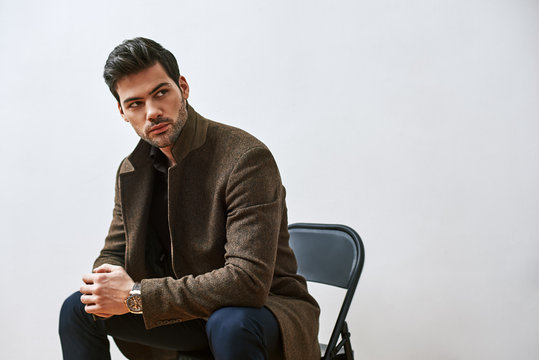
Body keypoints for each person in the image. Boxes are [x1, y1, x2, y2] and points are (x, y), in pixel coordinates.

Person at [59, 37, 320, 360]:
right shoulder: (132, 170)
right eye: (135, 103)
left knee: (230, 323)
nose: (152, 112)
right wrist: (106, 283)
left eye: (161, 93)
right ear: (122, 111)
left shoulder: (245, 158)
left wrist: (136, 295)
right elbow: (114, 251)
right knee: (79, 307)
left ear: (182, 87)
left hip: (260, 310)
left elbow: (247, 283)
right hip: (185, 312)